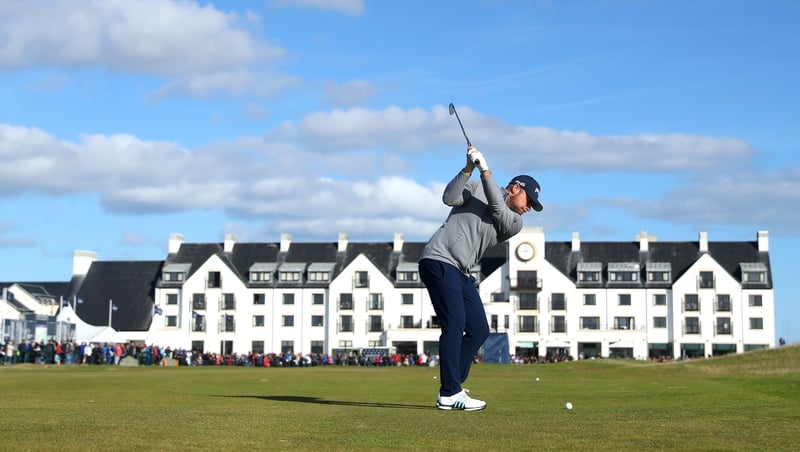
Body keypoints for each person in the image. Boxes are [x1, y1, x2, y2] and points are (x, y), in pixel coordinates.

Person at [419, 145, 543, 411]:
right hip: (439, 259)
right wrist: (468, 168)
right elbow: (449, 198)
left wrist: (486, 169)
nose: (529, 208)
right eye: (529, 201)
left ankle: (453, 385)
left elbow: (497, 208)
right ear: (514, 188)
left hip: (461, 271)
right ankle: (450, 393)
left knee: (479, 329)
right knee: (454, 323)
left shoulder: (514, 222)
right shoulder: (475, 188)